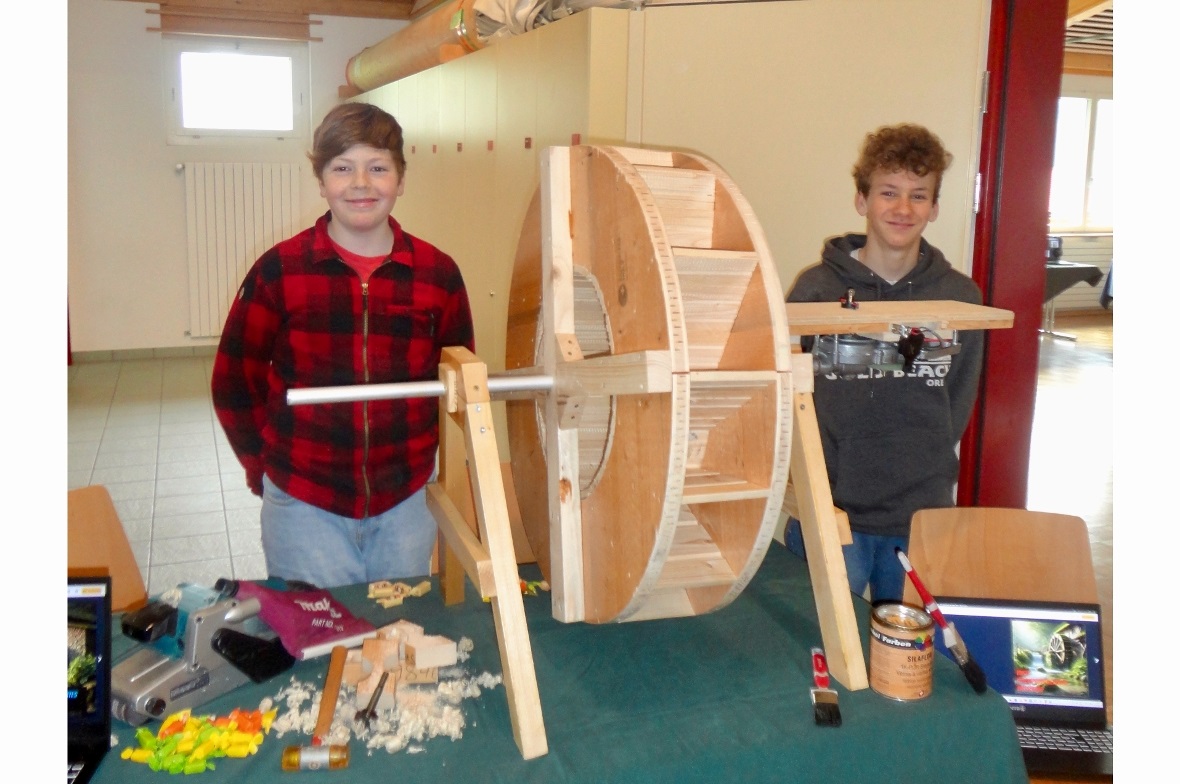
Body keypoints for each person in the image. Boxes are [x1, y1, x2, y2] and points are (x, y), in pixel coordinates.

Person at [212, 102, 475, 589]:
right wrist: (262, 466)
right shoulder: (280, 271)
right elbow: (233, 380)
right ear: (321, 181)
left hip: (406, 501)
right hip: (305, 501)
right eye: (342, 168)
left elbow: (456, 385)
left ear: (400, 179)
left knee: (399, 635)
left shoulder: (438, 275)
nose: (360, 184)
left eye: (378, 168)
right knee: (318, 637)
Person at [784, 123, 983, 602]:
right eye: (888, 192)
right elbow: (792, 395)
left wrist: (916, 454)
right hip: (831, 509)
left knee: (910, 663)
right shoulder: (814, 291)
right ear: (862, 200)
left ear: (934, 208)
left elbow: (957, 401)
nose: (902, 208)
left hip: (921, 516)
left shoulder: (960, 299)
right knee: (819, 656)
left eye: (918, 196)